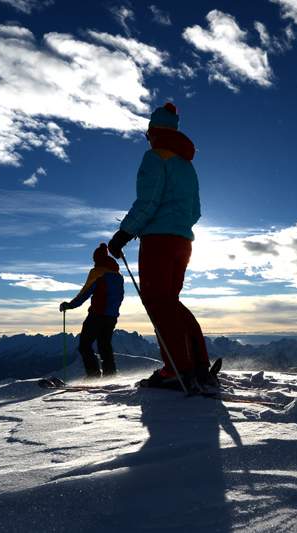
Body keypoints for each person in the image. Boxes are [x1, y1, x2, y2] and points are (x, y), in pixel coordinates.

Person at [108, 102, 213, 390]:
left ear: (154, 132)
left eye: (148, 133)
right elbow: (196, 211)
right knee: (171, 302)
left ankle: (176, 371)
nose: (148, 138)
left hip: (158, 242)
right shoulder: (187, 165)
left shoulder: (155, 158)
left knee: (158, 304)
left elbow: (148, 201)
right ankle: (197, 364)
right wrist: (180, 227)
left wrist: (124, 233)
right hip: (183, 242)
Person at [60, 243, 125, 379]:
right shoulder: (118, 276)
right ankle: (110, 375)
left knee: (85, 345)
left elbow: (85, 292)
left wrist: (69, 305)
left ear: (97, 259)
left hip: (97, 314)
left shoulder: (97, 272)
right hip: (111, 317)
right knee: (104, 345)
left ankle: (93, 375)